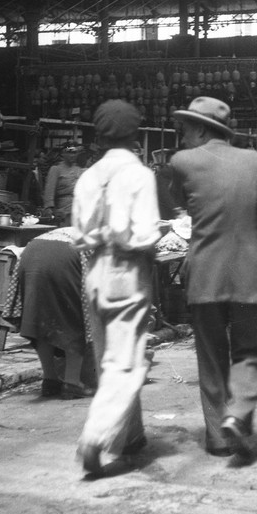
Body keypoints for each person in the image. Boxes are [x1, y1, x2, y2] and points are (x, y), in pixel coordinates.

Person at [169, 97, 257, 463]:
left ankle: (217, 438)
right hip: (250, 275)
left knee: (211, 359)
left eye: (186, 130)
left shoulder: (182, 162)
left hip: (204, 275)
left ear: (201, 129)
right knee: (255, 352)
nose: (183, 137)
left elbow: (179, 203)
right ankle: (238, 416)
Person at [71, 101, 161, 477]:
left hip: (94, 269)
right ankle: (96, 436)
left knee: (107, 353)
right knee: (125, 361)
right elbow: (145, 234)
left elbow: (79, 233)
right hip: (127, 269)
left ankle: (130, 436)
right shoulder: (139, 175)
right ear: (135, 136)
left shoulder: (88, 177)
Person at [3, 227, 96, 398]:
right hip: (65, 257)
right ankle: (72, 383)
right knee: (75, 319)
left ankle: (50, 380)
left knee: (41, 319)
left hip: (32, 252)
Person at [43, 144, 83, 225]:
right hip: (63, 211)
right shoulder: (56, 169)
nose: (72, 155)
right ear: (63, 154)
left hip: (79, 210)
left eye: (74, 153)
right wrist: (49, 208)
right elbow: (49, 191)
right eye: (69, 152)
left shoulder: (80, 170)